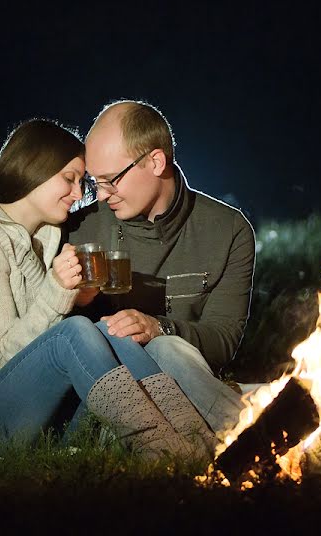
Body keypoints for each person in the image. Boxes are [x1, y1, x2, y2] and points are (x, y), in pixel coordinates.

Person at [0, 118, 215, 459]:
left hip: (32, 415)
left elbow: (37, 344)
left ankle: (196, 440)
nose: (78, 195)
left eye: (81, 183)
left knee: (111, 331)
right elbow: (6, 353)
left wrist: (74, 298)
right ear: (35, 170)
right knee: (72, 332)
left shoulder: (40, 241)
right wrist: (57, 292)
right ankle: (161, 449)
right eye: (69, 180)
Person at [65, 100, 255, 437]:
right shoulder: (81, 232)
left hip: (187, 382)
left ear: (156, 161)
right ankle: (249, 430)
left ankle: (246, 431)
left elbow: (223, 341)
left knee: (166, 346)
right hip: (109, 404)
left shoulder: (228, 231)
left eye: (111, 181)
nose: (102, 195)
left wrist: (160, 328)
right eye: (96, 183)